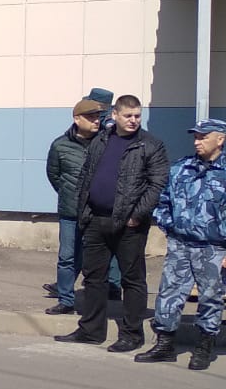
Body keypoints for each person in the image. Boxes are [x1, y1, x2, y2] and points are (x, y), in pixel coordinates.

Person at [55, 94, 169, 352]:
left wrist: (136, 216)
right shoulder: (102, 140)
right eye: (128, 116)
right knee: (94, 277)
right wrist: (84, 210)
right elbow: (87, 174)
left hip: (130, 224)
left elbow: (157, 184)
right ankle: (91, 330)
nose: (133, 121)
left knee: (132, 279)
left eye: (137, 116)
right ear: (115, 115)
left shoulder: (150, 145)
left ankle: (132, 334)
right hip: (96, 219)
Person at [134, 118, 226, 370]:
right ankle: (165, 345)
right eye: (195, 136)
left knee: (211, 297)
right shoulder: (181, 168)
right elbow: (163, 202)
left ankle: (204, 347)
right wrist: (170, 228)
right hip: (181, 244)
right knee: (170, 293)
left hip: (213, 248)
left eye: (203, 137)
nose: (197, 141)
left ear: (220, 139)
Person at [44, 98, 108, 314]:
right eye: (90, 117)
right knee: (67, 257)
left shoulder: (105, 142)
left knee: (94, 259)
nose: (96, 121)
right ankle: (66, 300)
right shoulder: (60, 145)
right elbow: (54, 175)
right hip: (70, 211)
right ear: (77, 119)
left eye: (97, 117)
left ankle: (94, 302)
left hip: (97, 211)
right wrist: (67, 193)